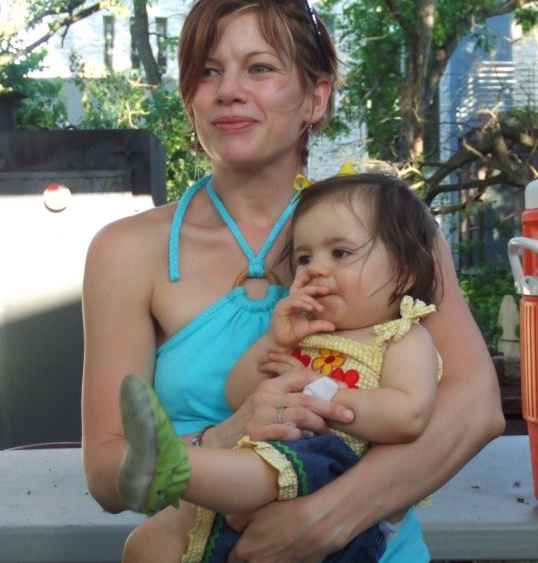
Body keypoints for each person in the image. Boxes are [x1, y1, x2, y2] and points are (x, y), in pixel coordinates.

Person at [80, 1, 505, 562]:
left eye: (260, 67)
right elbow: (107, 473)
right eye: (208, 71)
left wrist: (326, 519)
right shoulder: (126, 251)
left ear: (315, 98)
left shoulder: (389, 230)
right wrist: (227, 433)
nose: (229, 90)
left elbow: (476, 407)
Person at [117, 172, 444, 562]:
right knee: (147, 545)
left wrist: (318, 392)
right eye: (305, 258)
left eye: (340, 253)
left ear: (403, 273)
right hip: (264, 475)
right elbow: (238, 395)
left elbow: (409, 415)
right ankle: (165, 471)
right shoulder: (307, 335)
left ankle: (173, 466)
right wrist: (274, 342)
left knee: (268, 467)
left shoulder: (401, 337)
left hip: (337, 477)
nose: (314, 269)